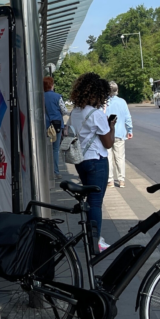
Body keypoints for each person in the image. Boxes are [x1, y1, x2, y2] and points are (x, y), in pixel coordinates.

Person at [68, 73, 116, 252]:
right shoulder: (96, 114)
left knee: (90, 201)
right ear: (97, 93)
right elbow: (108, 143)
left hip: (80, 161)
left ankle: (90, 236)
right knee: (95, 202)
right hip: (97, 161)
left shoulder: (75, 112)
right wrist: (111, 127)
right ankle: (95, 241)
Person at [105, 81, 133, 189]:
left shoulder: (104, 103)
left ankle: (110, 180)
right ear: (117, 90)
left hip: (107, 134)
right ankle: (121, 180)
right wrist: (129, 130)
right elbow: (127, 117)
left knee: (108, 157)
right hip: (120, 133)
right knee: (120, 157)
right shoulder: (122, 102)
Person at [43, 76, 66, 178]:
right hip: (56, 125)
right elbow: (64, 110)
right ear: (52, 85)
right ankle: (55, 172)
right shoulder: (58, 97)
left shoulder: (40, 96)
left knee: (45, 149)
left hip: (45, 126)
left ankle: (45, 171)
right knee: (55, 149)